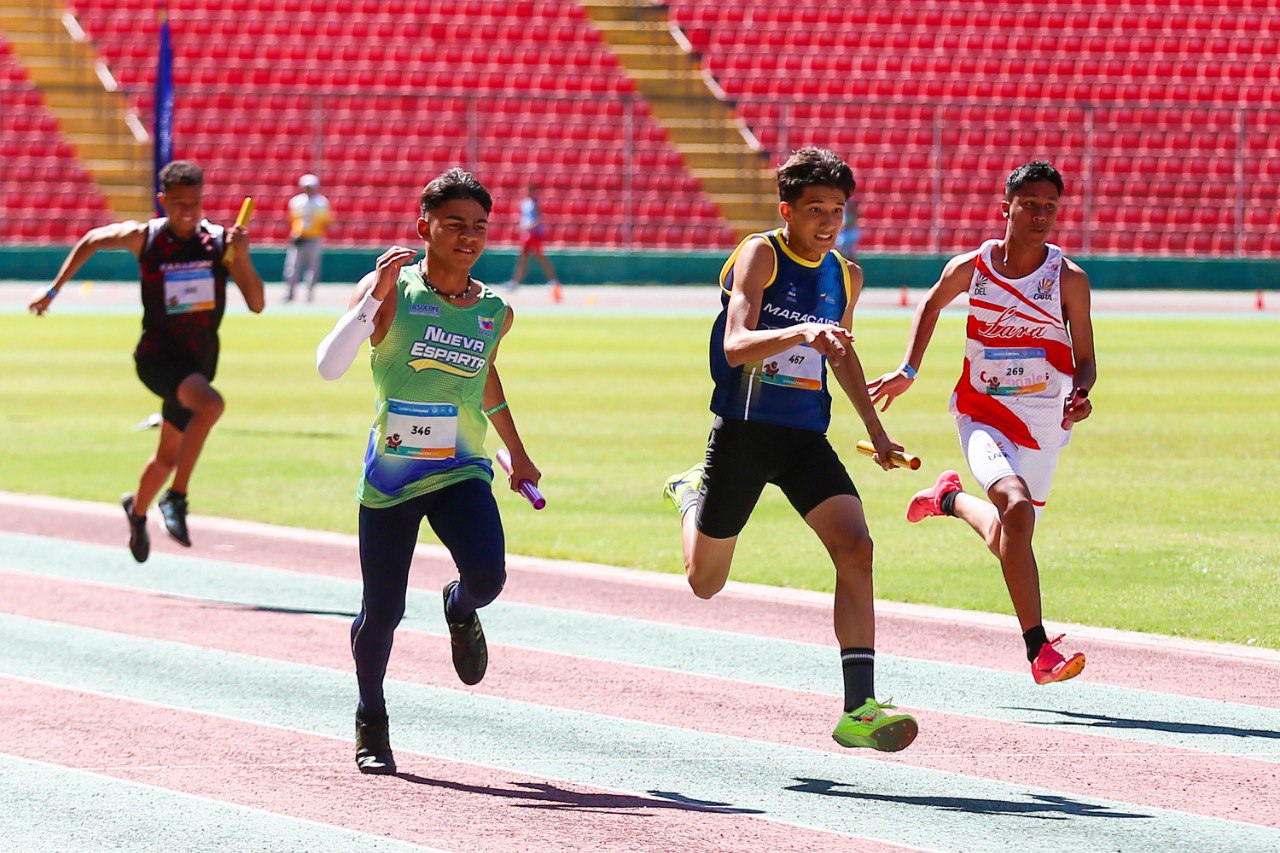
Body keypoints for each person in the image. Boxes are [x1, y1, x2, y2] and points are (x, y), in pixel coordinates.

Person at [662, 147, 918, 752]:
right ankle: (692, 498)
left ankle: (859, 707)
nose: (827, 222)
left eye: (837, 210)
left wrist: (877, 434)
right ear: (788, 210)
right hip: (745, 432)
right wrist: (801, 331)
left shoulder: (846, 274)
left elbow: (844, 354)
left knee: (856, 547)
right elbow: (736, 344)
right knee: (705, 582)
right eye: (814, 210)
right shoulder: (761, 254)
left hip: (806, 436)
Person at [315, 168, 541, 775]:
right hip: (391, 479)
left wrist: (517, 452)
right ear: (424, 229)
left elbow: (485, 378)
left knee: (489, 578)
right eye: (454, 226)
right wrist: (373, 296)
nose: (469, 237)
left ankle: (460, 607)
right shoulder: (391, 292)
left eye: (479, 228)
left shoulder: (495, 309)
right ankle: (371, 715)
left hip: (462, 468)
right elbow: (329, 366)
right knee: (381, 611)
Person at [867, 160, 1096, 685]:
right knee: (1015, 509)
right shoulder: (973, 267)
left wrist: (1081, 394)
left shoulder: (1069, 279)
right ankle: (1039, 650)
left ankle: (946, 499)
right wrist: (908, 369)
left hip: (1044, 424)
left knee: (1012, 535)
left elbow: (1086, 359)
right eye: (1030, 203)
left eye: (1050, 207)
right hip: (982, 412)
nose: (1040, 214)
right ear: (1007, 207)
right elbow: (931, 303)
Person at [28, 160, 264, 562]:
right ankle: (177, 497)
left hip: (199, 363)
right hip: (157, 359)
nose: (186, 212)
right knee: (211, 405)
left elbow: (257, 304)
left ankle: (136, 512)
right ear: (162, 201)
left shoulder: (221, 242)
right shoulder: (146, 238)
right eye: (177, 204)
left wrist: (240, 256)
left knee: (168, 456)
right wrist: (54, 290)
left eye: (194, 203)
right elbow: (91, 240)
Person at [283, 173, 332, 302]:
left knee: (312, 268)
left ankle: (309, 294)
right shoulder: (296, 201)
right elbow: (291, 219)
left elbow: (325, 222)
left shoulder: (321, 203)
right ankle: (290, 293)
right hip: (298, 239)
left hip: (314, 238)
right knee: (292, 267)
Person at [505, 182, 560, 295]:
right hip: (527, 234)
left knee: (540, 257)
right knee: (523, 258)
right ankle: (516, 282)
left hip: (534, 234)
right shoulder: (525, 203)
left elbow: (539, 218)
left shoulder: (536, 203)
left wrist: (528, 227)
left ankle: (553, 280)